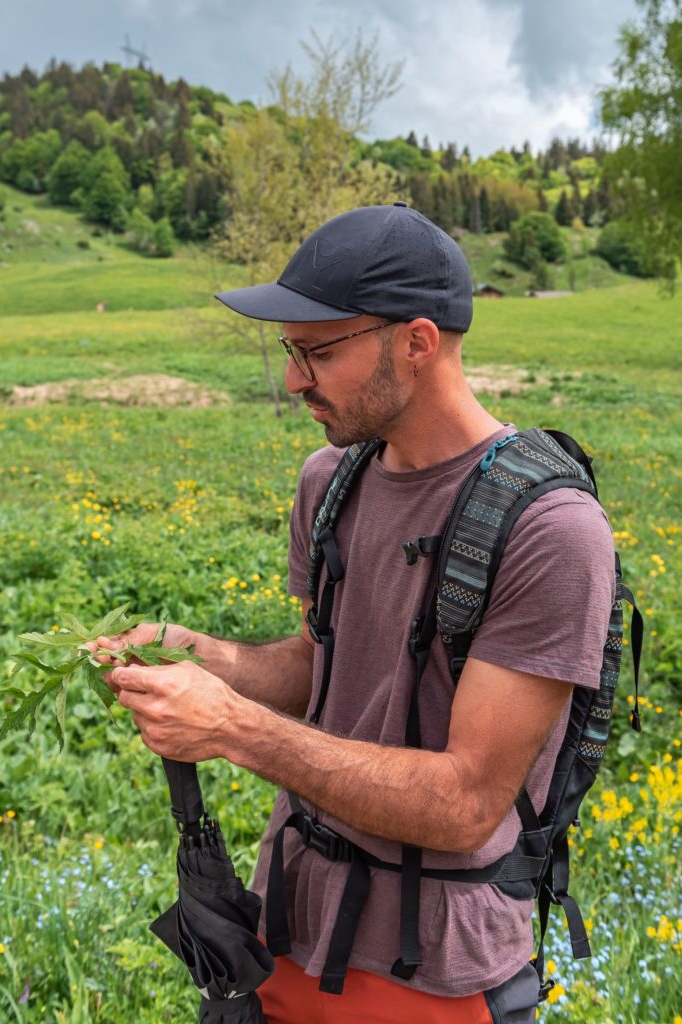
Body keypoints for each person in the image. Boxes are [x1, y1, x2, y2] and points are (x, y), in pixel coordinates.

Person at [94, 204, 615, 1023]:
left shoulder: (550, 530)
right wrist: (202, 657)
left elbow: (466, 804)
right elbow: (322, 667)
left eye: (318, 351)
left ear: (415, 341)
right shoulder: (329, 481)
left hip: (432, 969)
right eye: (289, 352)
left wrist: (232, 729)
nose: (296, 379)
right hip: (287, 924)